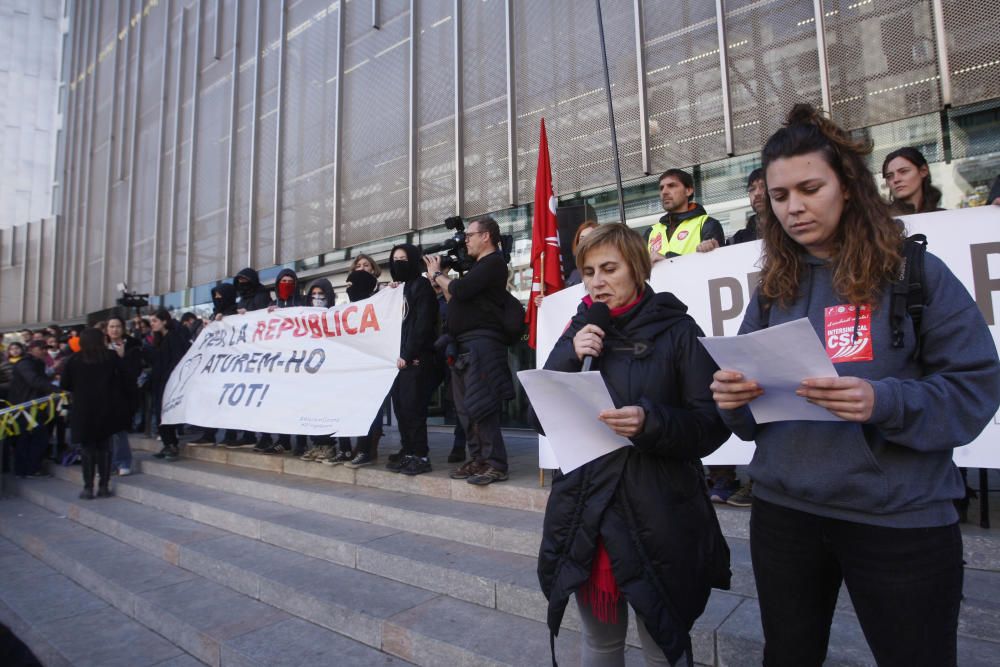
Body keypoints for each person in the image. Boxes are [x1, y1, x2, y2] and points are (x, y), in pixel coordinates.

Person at [710, 104, 1000, 667]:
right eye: (779, 196)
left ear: (847, 185)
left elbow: (974, 387)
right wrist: (732, 402)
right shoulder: (773, 286)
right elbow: (748, 421)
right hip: (785, 513)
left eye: (810, 188)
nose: (794, 207)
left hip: (899, 520)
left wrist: (881, 400)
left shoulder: (914, 273)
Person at [537, 223, 731, 666]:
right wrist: (569, 354)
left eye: (609, 268)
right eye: (588, 271)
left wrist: (651, 423)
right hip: (590, 510)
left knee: (663, 643)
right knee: (599, 642)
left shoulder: (678, 330)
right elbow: (541, 418)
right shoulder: (580, 331)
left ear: (638, 268)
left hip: (659, 513)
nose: (597, 281)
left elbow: (711, 424)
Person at [424, 216, 514, 485]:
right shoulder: (477, 270)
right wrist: (441, 280)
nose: (466, 241)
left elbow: (460, 290)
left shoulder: (494, 263)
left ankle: (496, 463)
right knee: (466, 409)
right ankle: (478, 459)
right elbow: (456, 299)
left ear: (486, 236)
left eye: (470, 236)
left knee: (482, 405)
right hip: (463, 346)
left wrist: (438, 274)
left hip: (482, 345)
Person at [384, 243, 439, 475]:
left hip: (415, 360)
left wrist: (408, 354)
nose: (398, 263)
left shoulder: (422, 286)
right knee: (401, 409)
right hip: (397, 362)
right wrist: (388, 293)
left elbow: (422, 324)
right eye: (395, 259)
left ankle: (420, 454)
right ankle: (407, 451)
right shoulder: (397, 290)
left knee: (413, 409)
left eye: (403, 259)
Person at [61, 328, 129, 499]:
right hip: (106, 407)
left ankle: (88, 487)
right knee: (104, 447)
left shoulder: (74, 360)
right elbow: (124, 378)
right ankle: (104, 486)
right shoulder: (111, 357)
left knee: (87, 449)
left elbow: (65, 384)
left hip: (83, 408)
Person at [334, 270, 385, 468]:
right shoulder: (346, 310)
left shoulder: (377, 308)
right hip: (349, 367)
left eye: (351, 286)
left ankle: (364, 449)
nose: (349, 290)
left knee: (367, 410)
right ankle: (345, 448)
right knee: (344, 408)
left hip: (370, 369)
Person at [298, 278, 342, 463]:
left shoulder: (336, 315)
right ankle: (316, 444)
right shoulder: (303, 317)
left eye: (321, 295)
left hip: (328, 372)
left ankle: (328, 446)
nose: (316, 298)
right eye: (313, 295)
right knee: (312, 408)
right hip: (309, 373)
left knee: (326, 409)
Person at [645, 169, 725, 262]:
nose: (664, 192)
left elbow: (715, 266)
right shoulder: (651, 232)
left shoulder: (707, 224)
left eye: (671, 186)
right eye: (661, 188)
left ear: (688, 191)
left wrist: (667, 261)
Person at [146, 309, 191, 461]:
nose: (152, 324)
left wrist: (167, 376)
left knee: (164, 413)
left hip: (168, 382)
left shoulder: (172, 337)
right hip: (159, 381)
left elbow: (176, 359)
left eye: (155, 321)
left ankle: (171, 444)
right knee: (159, 413)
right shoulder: (160, 339)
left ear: (164, 321)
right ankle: (168, 444)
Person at [9, 339, 56, 478]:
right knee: (26, 438)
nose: (44, 351)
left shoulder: (39, 364)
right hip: (24, 407)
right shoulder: (25, 364)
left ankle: (31, 468)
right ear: (31, 349)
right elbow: (34, 381)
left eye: (46, 349)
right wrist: (56, 389)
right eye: (41, 348)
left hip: (36, 405)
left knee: (37, 438)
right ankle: (26, 469)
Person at [106, 316, 142, 475]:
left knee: (119, 430)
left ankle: (123, 462)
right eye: (111, 326)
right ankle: (110, 463)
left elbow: (134, 371)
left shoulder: (133, 346)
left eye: (118, 326)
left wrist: (121, 358)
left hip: (124, 394)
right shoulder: (101, 346)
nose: (115, 330)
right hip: (105, 393)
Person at [882, 147, 943, 215]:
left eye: (903, 171)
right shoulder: (880, 219)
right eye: (889, 176)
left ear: (923, 171)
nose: (896, 179)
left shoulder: (945, 216)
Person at [564, 221, 599, 287]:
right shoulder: (574, 275)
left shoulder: (607, 270)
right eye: (582, 238)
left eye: (590, 237)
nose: (585, 241)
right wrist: (546, 298)